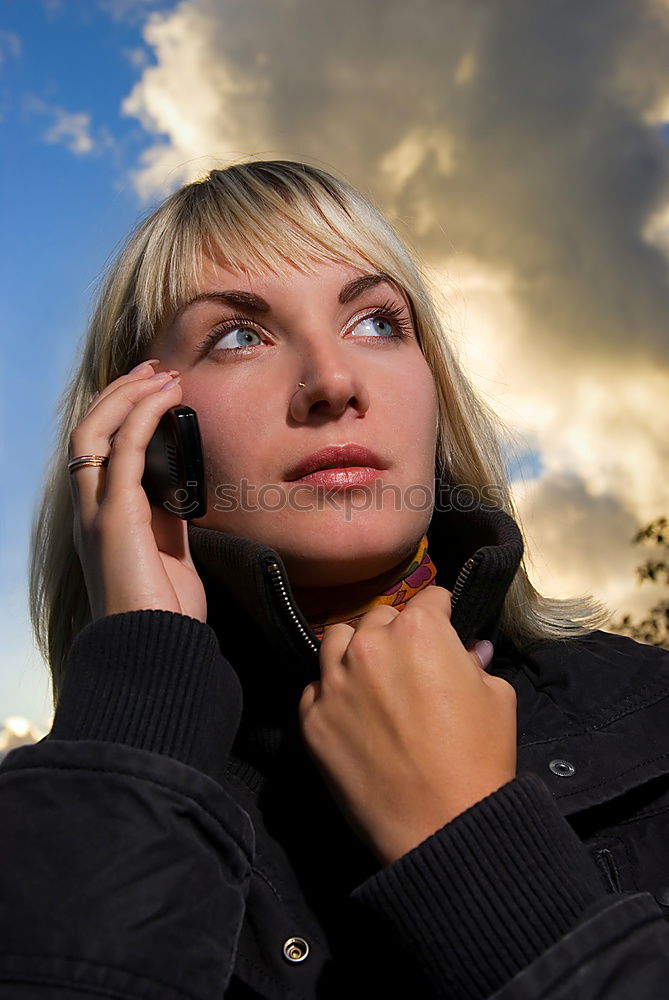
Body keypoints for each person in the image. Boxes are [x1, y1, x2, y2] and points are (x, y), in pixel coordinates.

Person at [2, 159, 669, 1000]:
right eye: (238, 335)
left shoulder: (656, 708)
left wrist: (470, 845)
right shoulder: (64, 819)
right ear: (141, 432)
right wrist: (141, 694)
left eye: (376, 322)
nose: (332, 381)